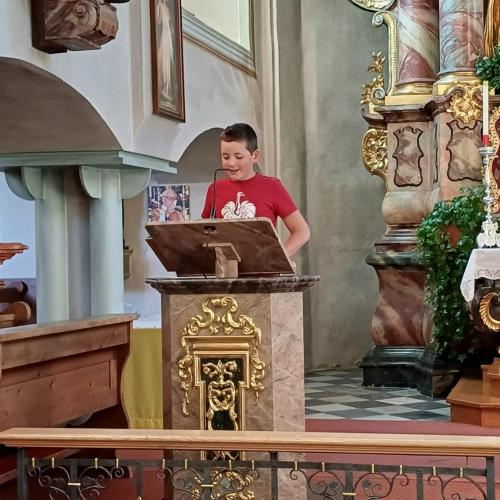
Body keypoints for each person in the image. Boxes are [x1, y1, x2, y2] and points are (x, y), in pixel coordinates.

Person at [201, 123, 310, 257]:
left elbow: (302, 231)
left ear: (255, 155)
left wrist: (278, 258)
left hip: (263, 269)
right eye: (225, 157)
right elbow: (204, 233)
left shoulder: (272, 187)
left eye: (238, 157)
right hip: (227, 268)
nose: (231, 163)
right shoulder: (214, 189)